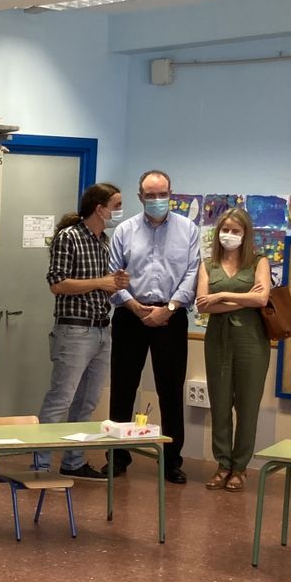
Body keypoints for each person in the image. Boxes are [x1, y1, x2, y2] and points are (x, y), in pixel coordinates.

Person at [106, 169, 202, 484]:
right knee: (123, 389)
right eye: (151, 195)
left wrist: (170, 308)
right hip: (129, 316)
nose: (158, 200)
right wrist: (133, 306)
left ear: (170, 194)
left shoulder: (188, 229)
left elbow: (192, 272)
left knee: (170, 391)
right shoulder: (124, 230)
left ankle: (171, 461)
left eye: (163, 194)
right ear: (140, 197)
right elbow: (113, 274)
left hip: (171, 318)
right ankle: (118, 456)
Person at [35, 183, 128, 480]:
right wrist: (101, 282)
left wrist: (116, 283)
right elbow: (57, 283)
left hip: (102, 330)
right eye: (116, 205)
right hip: (74, 331)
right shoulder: (69, 237)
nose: (119, 211)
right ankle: (40, 464)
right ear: (99, 209)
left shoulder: (105, 241)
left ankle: (73, 462)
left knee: (86, 402)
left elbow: (104, 286)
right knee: (60, 399)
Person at [196, 209, 271, 492]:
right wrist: (245, 298)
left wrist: (223, 295)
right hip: (217, 339)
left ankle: (240, 468)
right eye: (225, 229)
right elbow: (203, 305)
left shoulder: (258, 262)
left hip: (252, 340)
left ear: (246, 233)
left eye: (236, 230)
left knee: (248, 405)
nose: (229, 235)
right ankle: (222, 464)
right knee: (220, 403)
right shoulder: (208, 264)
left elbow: (262, 298)